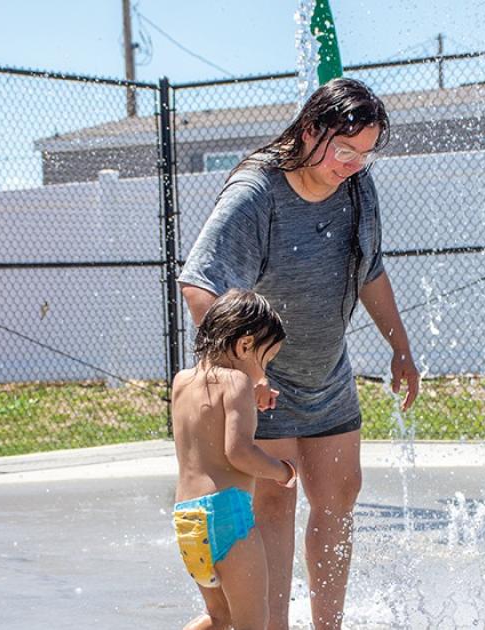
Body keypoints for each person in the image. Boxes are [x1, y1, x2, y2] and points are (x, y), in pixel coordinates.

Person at [178, 77, 419, 630]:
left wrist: (400, 346)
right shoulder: (256, 193)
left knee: (339, 496)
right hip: (269, 383)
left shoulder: (358, 187)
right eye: (344, 150)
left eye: (365, 154)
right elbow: (199, 284)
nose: (354, 164)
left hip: (328, 373)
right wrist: (240, 372)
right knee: (274, 502)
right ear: (310, 131)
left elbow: (370, 270)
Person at [171, 288, 298, 630]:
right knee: (252, 623)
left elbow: (206, 434)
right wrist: (281, 471)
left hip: (187, 521)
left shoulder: (182, 381)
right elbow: (238, 452)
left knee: (219, 618)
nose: (263, 372)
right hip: (226, 516)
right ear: (244, 346)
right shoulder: (237, 382)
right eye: (265, 361)